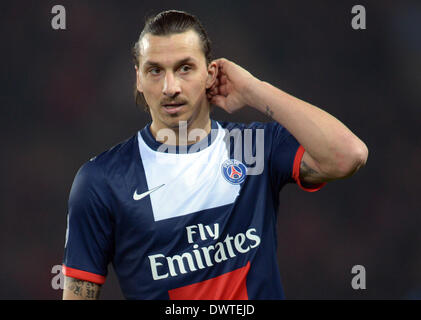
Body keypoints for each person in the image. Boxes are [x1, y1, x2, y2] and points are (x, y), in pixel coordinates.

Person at [62, 10, 368, 300]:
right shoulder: (102, 180)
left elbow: (348, 155)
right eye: (155, 70)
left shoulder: (251, 148)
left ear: (210, 74)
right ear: (139, 79)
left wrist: (253, 89)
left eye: (185, 68)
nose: (171, 87)